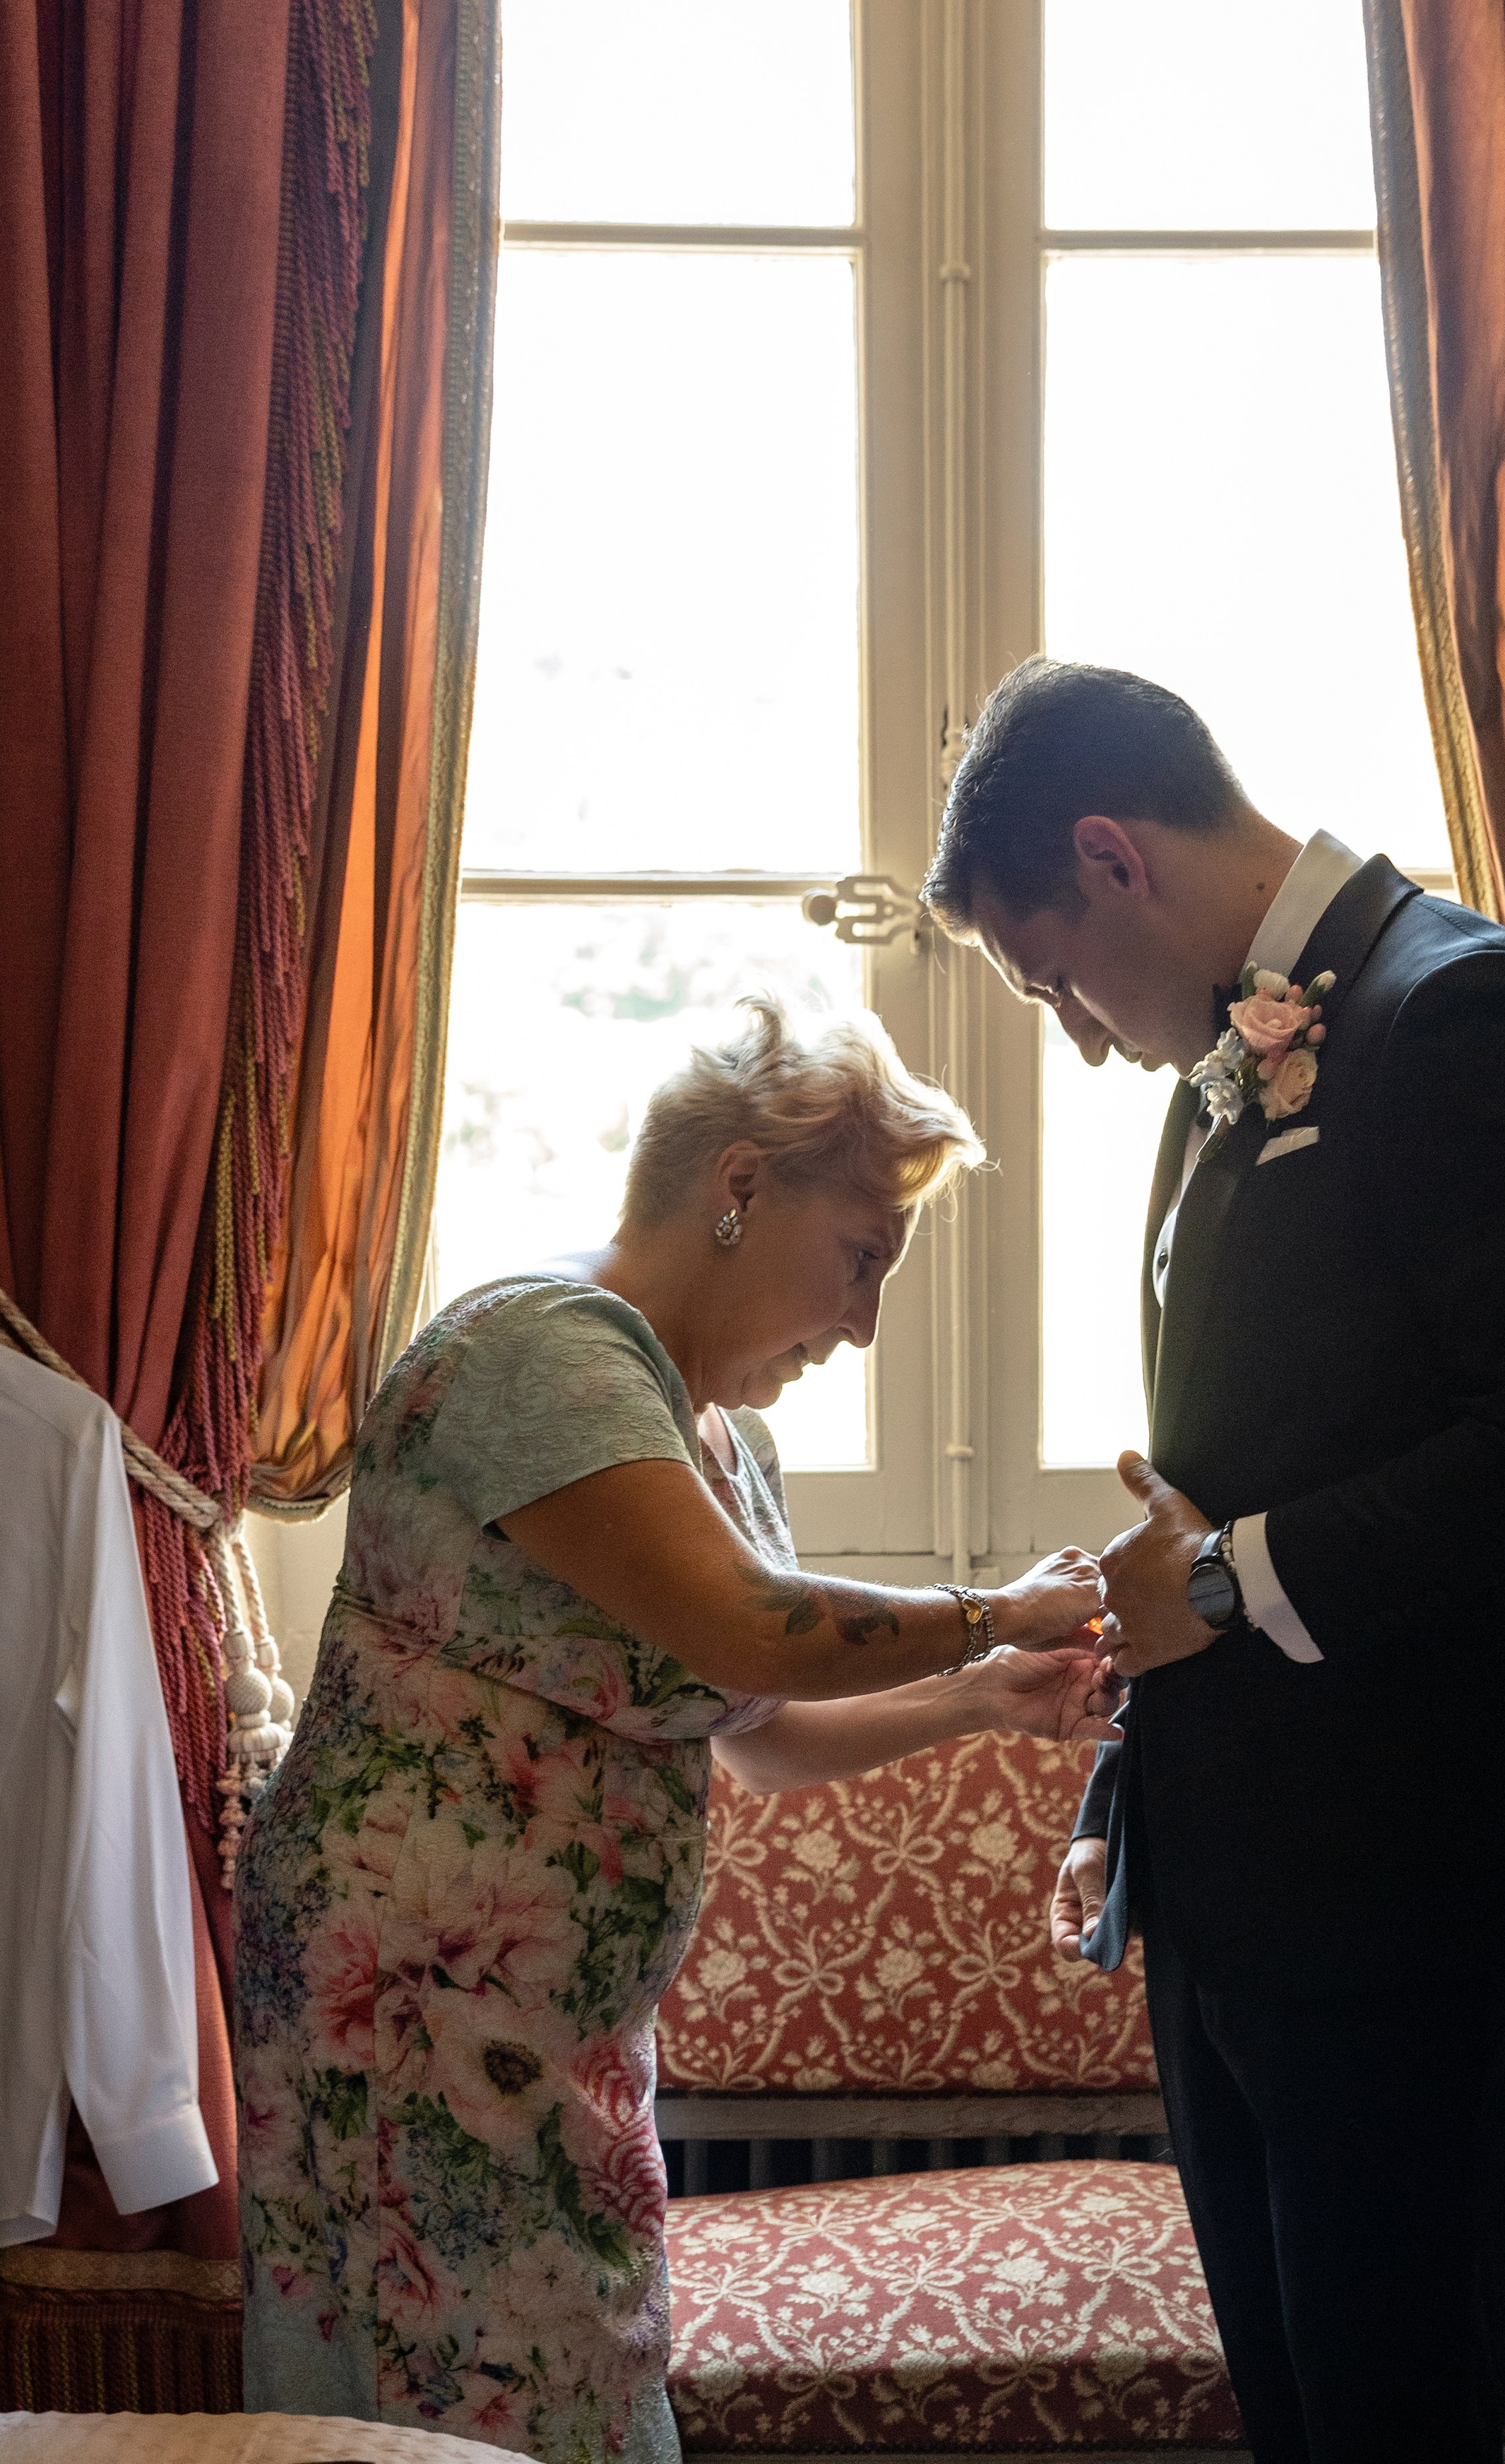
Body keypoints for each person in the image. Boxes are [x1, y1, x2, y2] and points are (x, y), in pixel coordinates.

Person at [922, 660, 1505, 2464]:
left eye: (1052, 978)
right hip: (1236, 1886)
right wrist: (1132, 1740)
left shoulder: (1463, 1011)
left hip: (1414, 1881)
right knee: (1297, 2416)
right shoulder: (1222, 1066)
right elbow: (1240, 1460)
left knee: (1391, 2420)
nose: (1077, 1034)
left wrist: (1229, 1584)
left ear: (1109, 855)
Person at [234, 996, 1107, 2462]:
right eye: (859, 1259)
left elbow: (752, 1725)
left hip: (551, 2030)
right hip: (408, 2024)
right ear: (740, 1187)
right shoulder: (539, 1347)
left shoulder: (716, 1434)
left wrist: (973, 1698)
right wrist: (994, 1608)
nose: (864, 1321)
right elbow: (746, 1631)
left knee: (557, 2385)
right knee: (472, 2411)